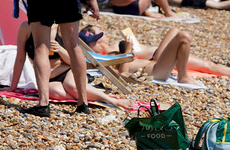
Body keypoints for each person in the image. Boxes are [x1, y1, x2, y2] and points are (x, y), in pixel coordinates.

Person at [8, 22, 136, 110]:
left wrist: (60, 50)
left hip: (68, 70)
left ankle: (113, 101)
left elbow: (74, 61)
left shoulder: (60, 28)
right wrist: (12, 88)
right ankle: (94, 96)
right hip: (48, 78)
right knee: (54, 92)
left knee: (71, 86)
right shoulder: (26, 27)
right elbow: (20, 59)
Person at [80, 25, 230, 83]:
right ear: (91, 45)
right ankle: (182, 76)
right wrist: (129, 50)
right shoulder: (105, 58)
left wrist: (130, 46)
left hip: (155, 62)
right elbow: (122, 75)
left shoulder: (112, 48)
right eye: (98, 38)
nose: (102, 38)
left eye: (101, 35)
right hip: (154, 69)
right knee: (183, 36)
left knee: (206, 64)